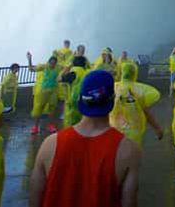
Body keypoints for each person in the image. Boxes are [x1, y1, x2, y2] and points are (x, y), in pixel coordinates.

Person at [29, 70, 141, 207]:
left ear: (80, 100)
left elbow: (34, 199)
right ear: (112, 101)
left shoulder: (50, 144)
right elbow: (129, 201)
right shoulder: (128, 150)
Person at [110, 61, 163, 144]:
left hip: (115, 128)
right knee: (131, 151)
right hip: (134, 130)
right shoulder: (138, 91)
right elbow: (146, 112)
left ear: (122, 73)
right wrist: (157, 128)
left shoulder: (114, 88)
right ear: (134, 74)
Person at [29, 52, 61, 134]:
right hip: (44, 91)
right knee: (39, 108)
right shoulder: (44, 66)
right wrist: (29, 58)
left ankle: (50, 126)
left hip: (53, 91)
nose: (52, 65)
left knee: (52, 109)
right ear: (48, 62)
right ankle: (35, 127)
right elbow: (31, 69)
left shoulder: (58, 67)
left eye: (54, 64)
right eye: (51, 63)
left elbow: (67, 68)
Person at [60, 55, 90, 127]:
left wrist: (66, 68)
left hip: (73, 100)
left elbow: (59, 79)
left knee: (70, 123)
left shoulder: (74, 72)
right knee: (80, 123)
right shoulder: (87, 72)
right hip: (83, 99)